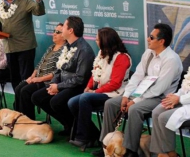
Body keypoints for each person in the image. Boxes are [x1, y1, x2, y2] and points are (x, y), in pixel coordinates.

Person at [93, 24, 183, 157]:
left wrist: (134, 101)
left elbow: (158, 89)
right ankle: (106, 145)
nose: (147, 39)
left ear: (161, 41)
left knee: (135, 109)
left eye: (151, 37)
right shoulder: (149, 53)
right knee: (110, 104)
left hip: (160, 97)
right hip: (140, 92)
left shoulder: (171, 60)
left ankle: (130, 151)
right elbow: (137, 76)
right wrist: (127, 95)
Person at [68, 27, 132, 150]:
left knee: (85, 98)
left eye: (98, 39)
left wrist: (95, 91)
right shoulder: (102, 53)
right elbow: (95, 73)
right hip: (101, 91)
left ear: (106, 41)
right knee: (72, 102)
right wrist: (88, 87)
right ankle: (93, 135)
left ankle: (83, 138)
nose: (96, 41)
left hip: (115, 93)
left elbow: (115, 84)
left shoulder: (122, 57)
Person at [32, 16, 95, 135]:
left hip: (77, 87)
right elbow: (58, 69)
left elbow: (80, 78)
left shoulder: (84, 50)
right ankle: (69, 125)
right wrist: (53, 84)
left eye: (64, 27)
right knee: (37, 97)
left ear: (70, 30)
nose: (61, 30)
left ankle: (80, 130)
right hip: (63, 84)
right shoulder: (67, 46)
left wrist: (59, 87)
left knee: (56, 101)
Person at [0, 0, 45, 92]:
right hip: (10, 49)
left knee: (25, 81)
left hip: (25, 48)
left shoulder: (25, 0)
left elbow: (39, 11)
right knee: (15, 80)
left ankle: (27, 110)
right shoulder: (0, 6)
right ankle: (18, 107)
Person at [15, 23, 66, 119]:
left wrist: (39, 79)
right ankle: (19, 119)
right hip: (38, 78)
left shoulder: (65, 50)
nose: (54, 34)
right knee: (19, 88)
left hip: (48, 82)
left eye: (58, 32)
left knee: (25, 91)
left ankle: (28, 121)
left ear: (64, 36)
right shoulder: (51, 47)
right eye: (54, 31)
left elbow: (58, 73)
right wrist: (32, 77)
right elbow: (39, 65)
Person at [150, 67, 189, 157]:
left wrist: (179, 99)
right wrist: (174, 97)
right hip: (184, 101)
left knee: (164, 118)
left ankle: (171, 154)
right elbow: (184, 89)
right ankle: (160, 152)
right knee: (157, 111)